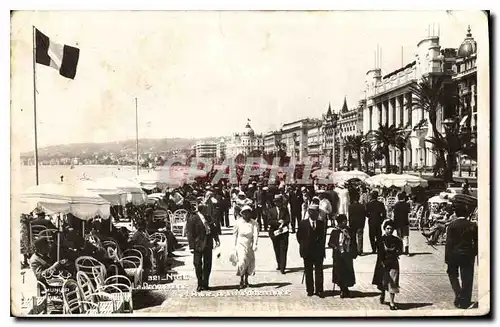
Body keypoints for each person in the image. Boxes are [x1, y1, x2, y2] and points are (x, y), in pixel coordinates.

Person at [445, 204, 478, 309]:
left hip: (454, 254)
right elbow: (477, 241)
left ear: (456, 213)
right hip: (468, 254)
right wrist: (474, 252)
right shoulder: (472, 225)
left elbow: (449, 243)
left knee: (452, 274)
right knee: (467, 277)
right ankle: (465, 301)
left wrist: (447, 257)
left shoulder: (452, 225)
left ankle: (458, 293)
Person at [186, 200, 220, 292]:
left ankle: (206, 283)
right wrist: (191, 246)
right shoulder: (193, 218)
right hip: (198, 244)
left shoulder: (209, 217)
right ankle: (199, 283)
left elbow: (213, 229)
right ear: (200, 209)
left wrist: (216, 239)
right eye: (204, 209)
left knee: (207, 264)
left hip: (208, 243)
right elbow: (189, 233)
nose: (206, 210)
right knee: (197, 264)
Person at [372, 219, 403, 310]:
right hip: (383, 264)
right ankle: (382, 293)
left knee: (393, 283)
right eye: (388, 228)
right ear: (384, 229)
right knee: (383, 282)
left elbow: (400, 251)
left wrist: (396, 252)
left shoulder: (397, 240)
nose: (390, 230)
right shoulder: (380, 240)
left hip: (393, 264)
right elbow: (379, 252)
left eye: (391, 229)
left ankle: (392, 303)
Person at [296, 203, 325, 297]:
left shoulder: (321, 224)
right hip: (307, 251)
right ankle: (310, 290)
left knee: (319, 271)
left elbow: (323, 238)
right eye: (313, 212)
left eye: (317, 212)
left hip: (318, 251)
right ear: (309, 212)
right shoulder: (303, 223)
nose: (316, 214)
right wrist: (304, 246)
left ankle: (319, 290)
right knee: (308, 271)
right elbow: (299, 237)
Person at [329, 214, 357, 298]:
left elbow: (354, 241)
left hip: (347, 254)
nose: (346, 223)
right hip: (338, 255)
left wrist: (354, 252)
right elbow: (330, 242)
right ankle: (342, 289)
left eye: (346, 221)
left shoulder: (350, 230)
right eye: (344, 222)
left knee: (347, 272)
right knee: (339, 272)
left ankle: (346, 288)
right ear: (340, 223)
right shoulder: (335, 231)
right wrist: (335, 247)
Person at [232, 205, 259, 289]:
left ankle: (246, 280)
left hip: (249, 244)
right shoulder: (238, 222)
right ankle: (241, 279)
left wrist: (255, 244)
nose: (246, 215)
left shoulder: (254, 223)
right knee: (242, 261)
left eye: (248, 213)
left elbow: (255, 234)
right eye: (244, 213)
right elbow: (234, 235)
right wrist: (234, 246)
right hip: (240, 244)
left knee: (249, 262)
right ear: (242, 214)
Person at [267, 194, 290, 274]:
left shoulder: (285, 209)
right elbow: (269, 221)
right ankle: (279, 264)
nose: (278, 203)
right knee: (276, 249)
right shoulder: (271, 210)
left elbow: (288, 219)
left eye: (279, 202)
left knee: (283, 249)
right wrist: (277, 222)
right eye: (276, 202)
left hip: (283, 232)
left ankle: (283, 267)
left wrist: (283, 223)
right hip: (274, 232)